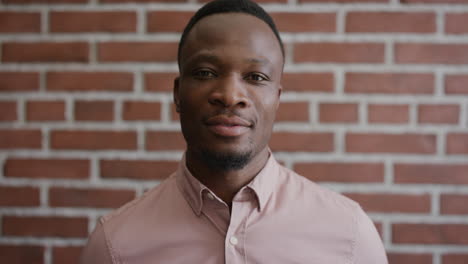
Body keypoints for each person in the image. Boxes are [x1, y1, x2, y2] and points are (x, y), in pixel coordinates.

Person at [80, 0, 388, 263]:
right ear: (177, 94)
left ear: (277, 99)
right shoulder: (115, 246)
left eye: (255, 76)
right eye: (205, 73)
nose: (230, 95)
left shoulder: (350, 237)